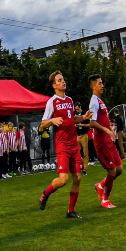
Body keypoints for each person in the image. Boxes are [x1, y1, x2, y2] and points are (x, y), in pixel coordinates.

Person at [39, 71, 91, 218]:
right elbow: (43, 124)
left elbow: (71, 119)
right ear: (54, 85)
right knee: (63, 180)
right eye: (60, 80)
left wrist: (83, 117)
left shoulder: (69, 100)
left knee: (78, 178)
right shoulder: (52, 102)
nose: (63, 82)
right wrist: (52, 121)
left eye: (63, 79)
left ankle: (71, 210)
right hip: (62, 145)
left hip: (74, 144)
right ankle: (45, 193)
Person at [87, 74, 123, 208]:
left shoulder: (100, 101)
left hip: (108, 140)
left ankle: (100, 185)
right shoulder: (94, 102)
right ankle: (105, 200)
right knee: (112, 171)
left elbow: (102, 120)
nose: (102, 86)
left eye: (102, 83)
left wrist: (110, 130)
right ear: (93, 86)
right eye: (100, 83)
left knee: (119, 169)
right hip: (101, 141)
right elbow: (92, 123)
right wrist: (107, 130)